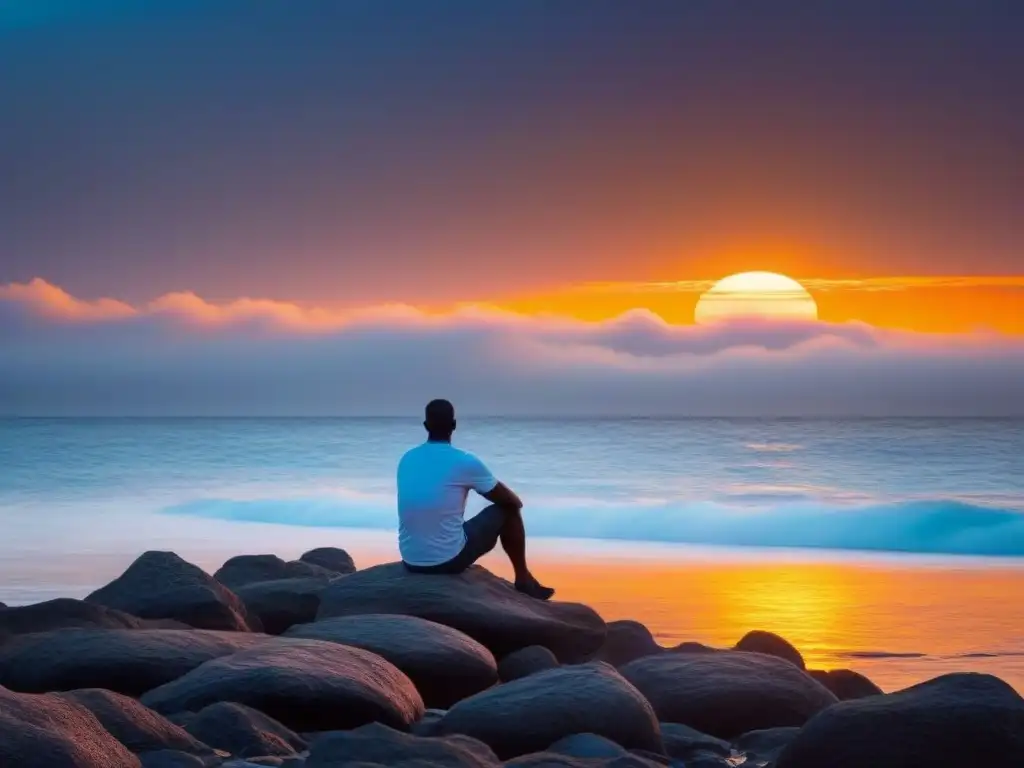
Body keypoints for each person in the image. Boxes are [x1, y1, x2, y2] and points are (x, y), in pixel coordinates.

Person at [397, 399, 555, 600]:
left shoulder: (407, 459)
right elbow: (511, 501)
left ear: (426, 426)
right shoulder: (464, 460)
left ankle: (523, 578)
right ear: (454, 425)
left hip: (410, 559)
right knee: (508, 511)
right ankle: (524, 579)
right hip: (447, 561)